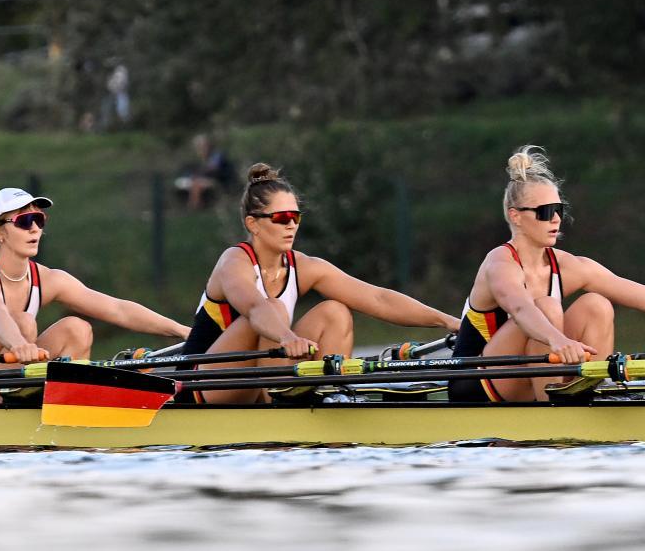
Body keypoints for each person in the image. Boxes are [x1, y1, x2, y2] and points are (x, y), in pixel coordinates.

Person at [449, 145, 645, 403]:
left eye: (559, 210)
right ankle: (551, 410)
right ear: (516, 216)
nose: (556, 219)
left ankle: (589, 391)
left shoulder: (568, 266)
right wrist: (557, 340)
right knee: (547, 307)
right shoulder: (500, 263)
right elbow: (521, 308)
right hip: (475, 382)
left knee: (596, 304)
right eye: (545, 211)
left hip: (529, 373)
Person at [182, 163, 460, 405]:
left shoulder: (304, 266)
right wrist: (288, 338)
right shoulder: (233, 262)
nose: (291, 225)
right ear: (253, 224)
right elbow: (255, 308)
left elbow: (378, 299)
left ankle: (330, 393)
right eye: (281, 218)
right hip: (201, 383)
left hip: (258, 381)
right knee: (273, 307)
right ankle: (284, 399)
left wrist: (448, 321)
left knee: (335, 311)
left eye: (296, 217)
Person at [0, 187, 191, 405]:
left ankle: (65, 409)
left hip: (0, 376)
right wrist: (19, 343)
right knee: (23, 323)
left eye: (39, 220)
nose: (34, 229)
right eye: (24, 221)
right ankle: (14, 409)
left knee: (77, 329)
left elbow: (118, 309)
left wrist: (183, 331)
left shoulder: (48, 279)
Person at [174, 135, 236, 211]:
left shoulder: (217, 155)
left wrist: (199, 173)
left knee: (197, 183)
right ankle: (192, 206)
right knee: (188, 182)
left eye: (203, 146)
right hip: (208, 180)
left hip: (221, 181)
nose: (201, 150)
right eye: (199, 147)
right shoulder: (203, 158)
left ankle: (196, 206)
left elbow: (213, 169)